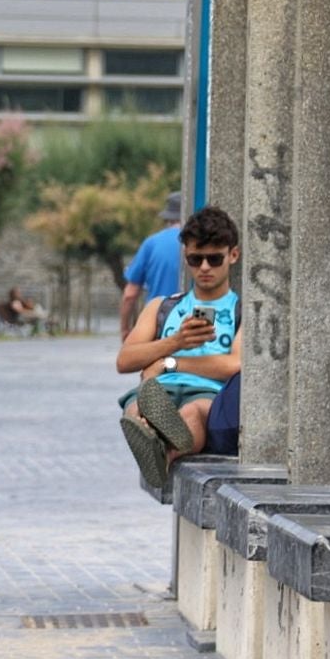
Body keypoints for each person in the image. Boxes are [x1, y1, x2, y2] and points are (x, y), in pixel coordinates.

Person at [116, 206, 242, 488]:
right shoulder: (162, 306)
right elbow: (125, 360)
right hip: (157, 392)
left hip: (208, 392)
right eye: (196, 259)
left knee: (192, 413)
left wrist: (169, 363)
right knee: (136, 408)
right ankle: (151, 438)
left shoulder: (241, 311)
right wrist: (176, 341)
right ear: (186, 257)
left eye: (214, 258)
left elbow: (235, 364)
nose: (205, 267)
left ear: (233, 255)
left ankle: (162, 453)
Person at [119, 191, 184, 340]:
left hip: (157, 322)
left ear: (167, 218)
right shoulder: (200, 243)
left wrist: (125, 329)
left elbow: (130, 295)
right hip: (191, 320)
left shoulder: (152, 244)